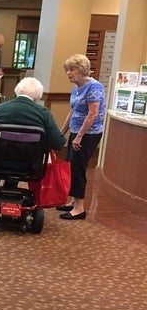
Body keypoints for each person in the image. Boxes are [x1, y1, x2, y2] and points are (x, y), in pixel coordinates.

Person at [0, 77, 65, 187]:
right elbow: (58, 143)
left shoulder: (1, 109)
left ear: (17, 91)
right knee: (23, 150)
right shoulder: (43, 113)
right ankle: (11, 187)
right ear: (38, 96)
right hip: (29, 164)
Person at [56, 54, 105, 220]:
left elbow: (93, 114)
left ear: (82, 69)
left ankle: (79, 208)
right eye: (67, 70)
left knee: (78, 168)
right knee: (70, 166)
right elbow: (74, 111)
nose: (69, 73)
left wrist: (80, 137)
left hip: (89, 134)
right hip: (76, 131)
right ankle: (72, 201)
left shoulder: (94, 87)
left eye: (72, 69)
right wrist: (62, 131)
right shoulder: (77, 87)